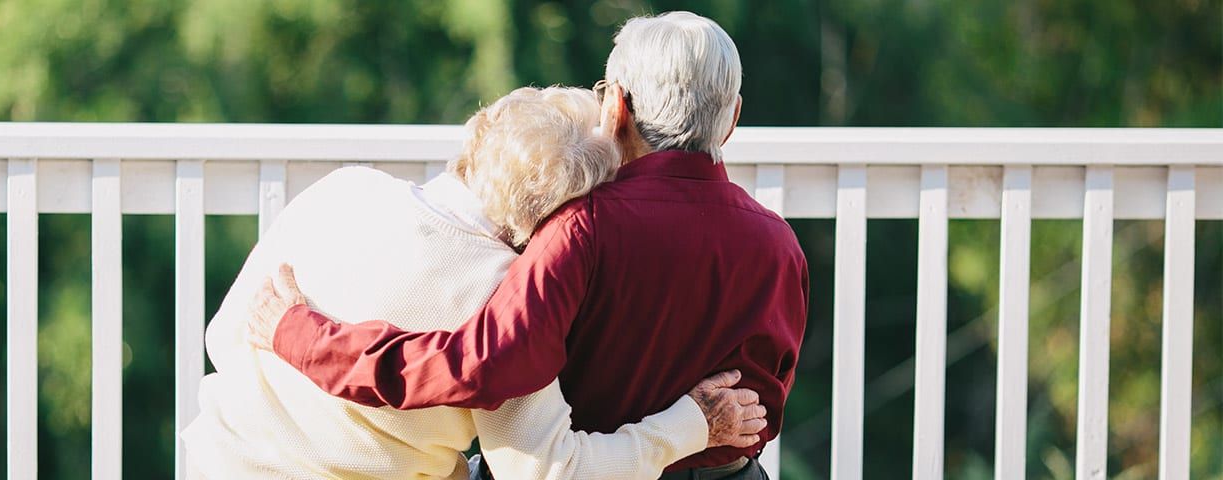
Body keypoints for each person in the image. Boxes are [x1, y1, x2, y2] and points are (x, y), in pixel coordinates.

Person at [248, 12, 809, 480]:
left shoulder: (581, 228)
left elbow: (474, 365)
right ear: (732, 119)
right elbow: (765, 402)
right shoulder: (781, 247)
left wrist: (301, 335)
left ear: (617, 106)